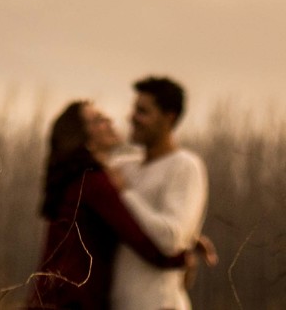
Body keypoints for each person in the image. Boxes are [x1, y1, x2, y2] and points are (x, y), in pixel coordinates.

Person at [25, 100, 190, 309]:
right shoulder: (93, 182)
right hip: (73, 302)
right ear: (85, 137)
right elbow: (138, 238)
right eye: (98, 120)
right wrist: (182, 256)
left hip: (51, 300)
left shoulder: (78, 179)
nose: (109, 121)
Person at [108, 76, 209, 310]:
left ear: (168, 118)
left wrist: (125, 194)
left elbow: (171, 239)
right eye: (134, 109)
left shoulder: (185, 167)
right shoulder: (123, 167)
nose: (132, 118)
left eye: (143, 111)